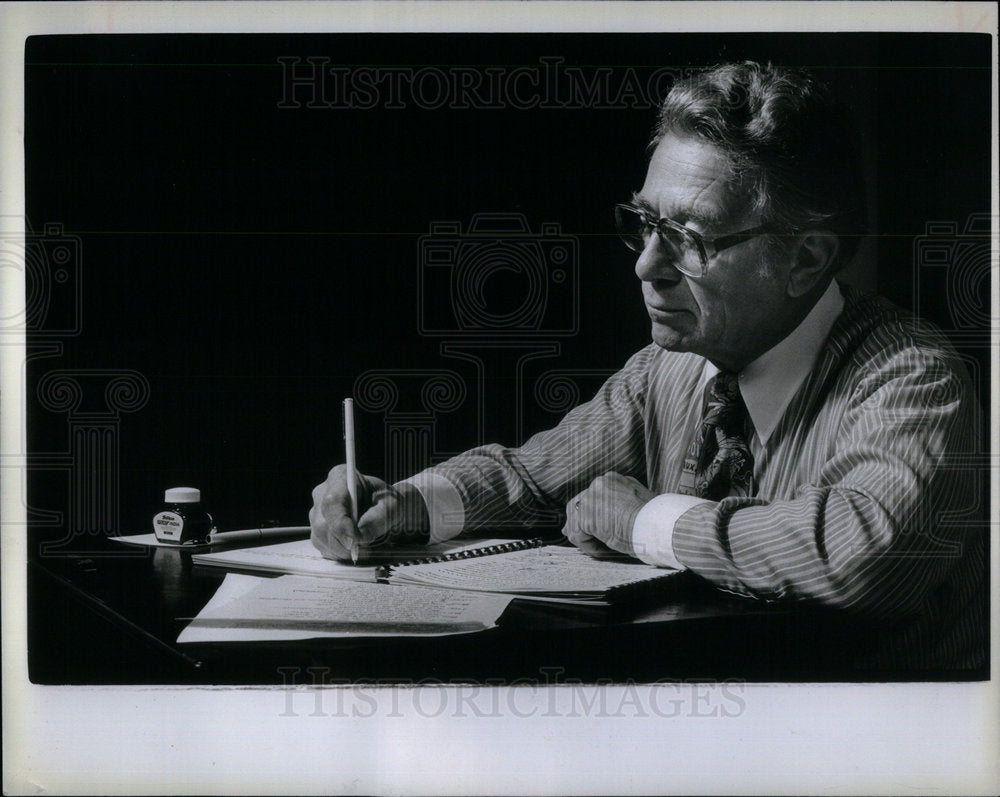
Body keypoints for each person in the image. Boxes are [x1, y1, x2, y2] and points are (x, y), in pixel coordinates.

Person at [309, 62, 985, 670]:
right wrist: (407, 504)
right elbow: (529, 477)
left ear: (805, 259)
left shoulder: (911, 377)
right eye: (644, 223)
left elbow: (862, 554)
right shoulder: (668, 370)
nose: (645, 266)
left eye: (688, 238)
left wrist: (647, 522)